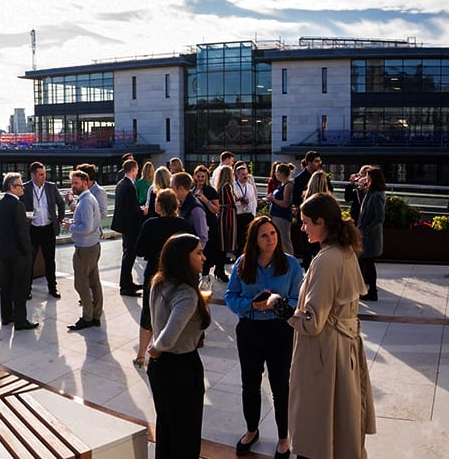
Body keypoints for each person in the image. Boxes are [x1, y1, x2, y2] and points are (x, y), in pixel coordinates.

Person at [287, 193, 376, 458]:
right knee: (340, 426)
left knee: (318, 428)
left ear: (321, 221)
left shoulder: (327, 259)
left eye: (306, 223)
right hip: (340, 351)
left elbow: (313, 322)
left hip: (325, 356)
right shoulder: (344, 252)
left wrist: (282, 308)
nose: (302, 228)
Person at [225, 216, 303, 459]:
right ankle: (251, 430)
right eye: (264, 235)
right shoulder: (243, 263)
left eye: (273, 233)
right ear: (255, 241)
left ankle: (283, 437)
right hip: (250, 330)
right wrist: (252, 305)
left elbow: (297, 300)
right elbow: (230, 296)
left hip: (279, 331)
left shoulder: (290, 265)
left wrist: (275, 304)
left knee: (280, 386)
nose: (271, 239)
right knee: (249, 383)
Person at [146, 233, 211, 459]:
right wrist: (156, 347)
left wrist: (154, 351)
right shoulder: (186, 293)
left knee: (166, 428)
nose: (204, 258)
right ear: (184, 258)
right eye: (199, 253)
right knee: (186, 434)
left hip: (160, 369)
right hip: (181, 368)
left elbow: (156, 321)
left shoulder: (159, 281)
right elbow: (169, 337)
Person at [132, 191, 190, 368]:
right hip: (178, 274)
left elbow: (139, 250)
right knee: (174, 313)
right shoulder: (184, 224)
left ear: (160, 205)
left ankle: (142, 354)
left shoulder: (150, 224)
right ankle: (168, 351)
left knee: (149, 313)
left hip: (154, 273)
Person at [0, 171, 37, 330]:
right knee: (20, 288)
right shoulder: (18, 205)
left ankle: (6, 317)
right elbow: (21, 233)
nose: (23, 189)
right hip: (19, 254)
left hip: (5, 252)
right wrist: (29, 251)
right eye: (20, 185)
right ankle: (20, 320)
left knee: (6, 285)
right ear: (12, 187)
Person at [65, 170, 104, 331]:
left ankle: (88, 317)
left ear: (85, 183)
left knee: (81, 284)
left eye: (76, 183)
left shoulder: (86, 201)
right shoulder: (87, 199)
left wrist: (70, 226)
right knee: (94, 282)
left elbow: (86, 227)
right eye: (72, 183)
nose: (73, 186)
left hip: (85, 248)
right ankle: (95, 316)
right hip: (92, 246)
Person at [22, 161, 64, 299]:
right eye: (40, 174)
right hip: (32, 230)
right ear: (32, 175)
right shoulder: (25, 188)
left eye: (44, 174)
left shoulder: (51, 187)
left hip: (48, 229)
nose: (43, 177)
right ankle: (27, 289)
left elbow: (61, 203)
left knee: (50, 260)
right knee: (30, 261)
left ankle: (53, 287)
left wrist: (58, 220)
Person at [114, 159, 145, 296]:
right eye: (137, 169)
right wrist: (143, 210)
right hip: (130, 226)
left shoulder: (121, 184)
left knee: (128, 255)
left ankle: (128, 282)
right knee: (129, 256)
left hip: (125, 226)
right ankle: (126, 286)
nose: (137, 172)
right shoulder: (128, 186)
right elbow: (132, 209)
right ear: (133, 169)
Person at [355, 166, 387, 301]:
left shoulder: (378, 194)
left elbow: (380, 217)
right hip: (365, 234)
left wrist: (366, 230)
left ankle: (372, 291)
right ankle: (365, 290)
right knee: (365, 263)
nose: (366, 179)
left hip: (370, 236)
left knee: (368, 263)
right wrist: (359, 188)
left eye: (368, 177)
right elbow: (363, 206)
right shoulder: (371, 192)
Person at [192, 165, 224, 280]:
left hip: (209, 223)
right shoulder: (192, 190)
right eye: (198, 176)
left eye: (203, 176)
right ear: (194, 176)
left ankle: (206, 274)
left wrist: (205, 200)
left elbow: (216, 209)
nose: (200, 179)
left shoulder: (210, 190)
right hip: (195, 224)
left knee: (208, 250)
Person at [266, 163, 295, 256]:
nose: (275, 173)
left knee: (284, 240)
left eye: (277, 172)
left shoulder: (288, 185)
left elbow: (286, 203)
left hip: (282, 216)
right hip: (276, 215)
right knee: (279, 240)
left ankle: (290, 261)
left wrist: (273, 200)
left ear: (282, 173)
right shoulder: (281, 184)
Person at [232, 163, 258, 250]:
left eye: (246, 174)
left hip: (249, 215)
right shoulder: (234, 186)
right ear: (237, 175)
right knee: (239, 240)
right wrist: (240, 203)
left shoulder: (250, 186)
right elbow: (232, 202)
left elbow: (254, 201)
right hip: (238, 216)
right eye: (243, 174)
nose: (245, 176)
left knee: (249, 239)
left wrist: (253, 215)